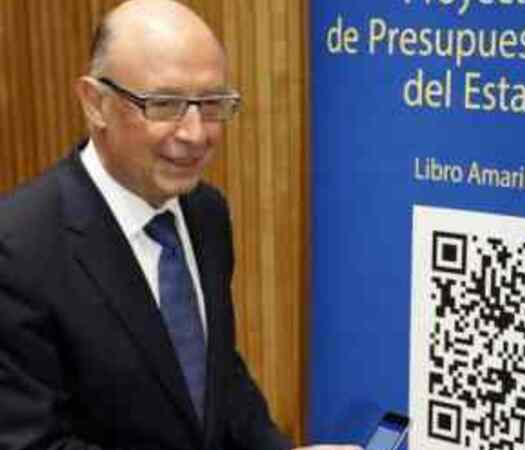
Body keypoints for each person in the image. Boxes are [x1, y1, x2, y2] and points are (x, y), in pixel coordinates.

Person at [0, 2, 358, 450]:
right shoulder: (18, 249)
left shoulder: (207, 214)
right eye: (164, 104)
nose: (195, 133)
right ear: (95, 103)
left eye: (211, 104)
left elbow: (217, 381)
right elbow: (33, 443)